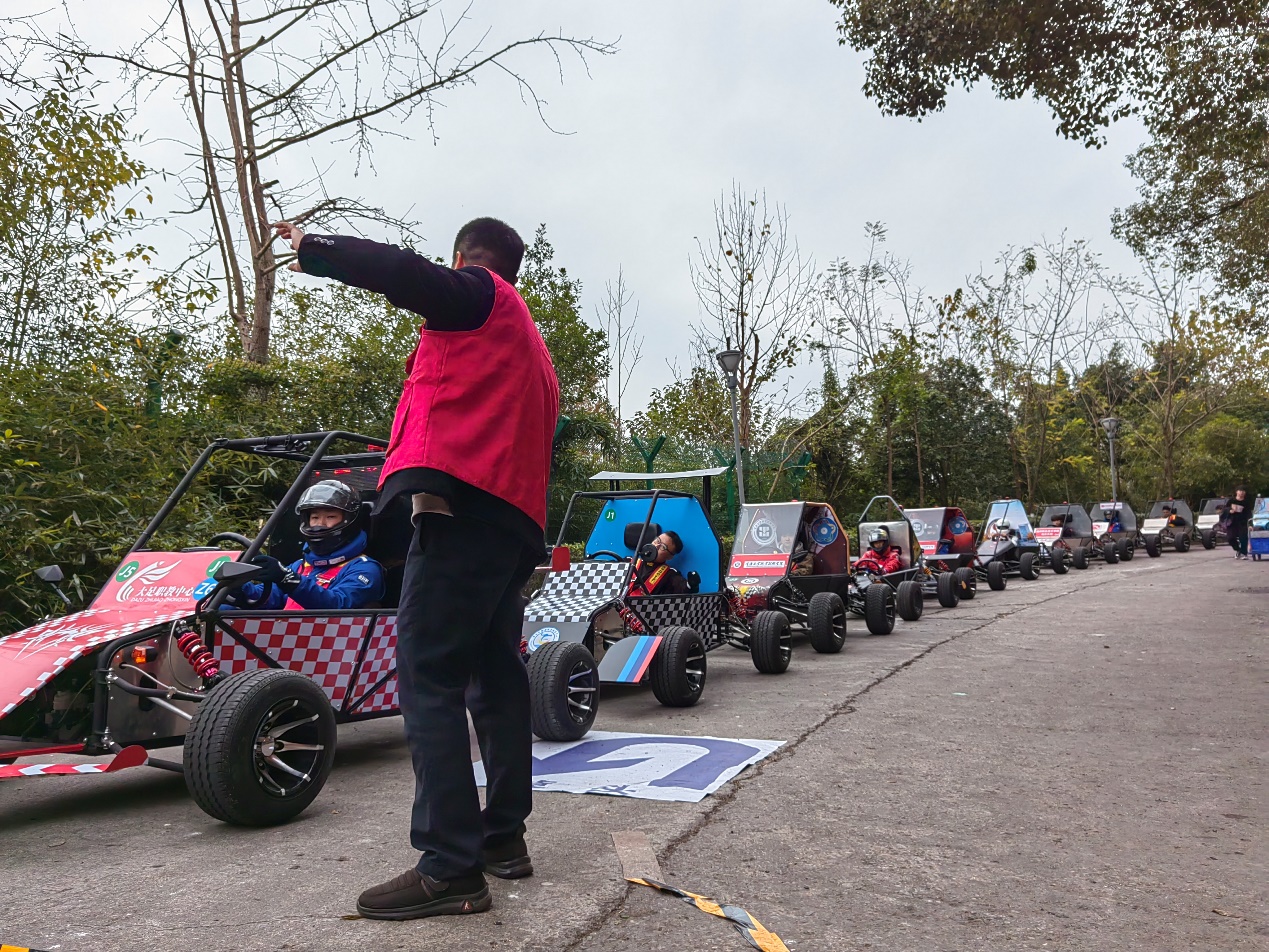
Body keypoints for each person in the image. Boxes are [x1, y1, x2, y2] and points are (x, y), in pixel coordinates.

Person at [272, 216, 559, 920]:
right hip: (512, 526)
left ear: (463, 259)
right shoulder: (532, 352)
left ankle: (449, 867)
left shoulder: (480, 295)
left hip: (460, 511)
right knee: (495, 677)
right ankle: (502, 838)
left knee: (427, 675)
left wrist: (318, 249)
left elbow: (405, 273)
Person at [234, 480, 385, 610]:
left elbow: (338, 605)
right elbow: (267, 598)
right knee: (226, 608)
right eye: (315, 517)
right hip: (286, 633)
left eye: (330, 516)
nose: (320, 524)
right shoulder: (300, 566)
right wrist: (237, 586)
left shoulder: (365, 568)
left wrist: (289, 580)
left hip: (331, 634)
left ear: (349, 520)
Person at [628, 530, 691, 596]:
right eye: (657, 541)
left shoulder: (669, 574)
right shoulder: (629, 561)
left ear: (670, 557)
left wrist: (691, 585)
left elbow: (683, 589)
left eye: (663, 547)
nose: (656, 546)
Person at [1223, 486, 1253, 559]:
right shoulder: (1231, 501)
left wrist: (1250, 524)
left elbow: (1249, 514)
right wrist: (1229, 511)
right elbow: (1225, 509)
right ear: (1236, 492)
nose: (1241, 492)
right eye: (1240, 491)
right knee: (1230, 538)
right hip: (1232, 522)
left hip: (1242, 522)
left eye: (1243, 491)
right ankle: (1238, 549)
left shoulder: (1246, 502)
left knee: (1243, 538)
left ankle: (1244, 553)